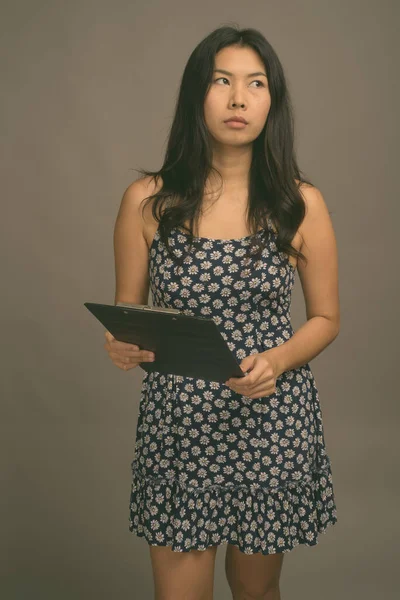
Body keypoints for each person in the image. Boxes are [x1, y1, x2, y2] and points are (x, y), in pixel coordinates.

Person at [104, 25, 340, 600]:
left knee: (255, 591)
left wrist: (277, 361)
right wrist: (121, 344)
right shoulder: (147, 201)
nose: (238, 98)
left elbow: (327, 318)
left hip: (270, 414)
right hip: (180, 424)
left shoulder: (299, 202)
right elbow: (128, 312)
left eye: (255, 84)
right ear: (197, 96)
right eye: (222, 82)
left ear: (270, 102)